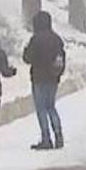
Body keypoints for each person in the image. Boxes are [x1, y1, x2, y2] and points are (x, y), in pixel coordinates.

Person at [23, 10, 66, 150]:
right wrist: (58, 73)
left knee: (41, 109)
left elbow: (27, 58)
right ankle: (59, 136)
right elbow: (61, 58)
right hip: (53, 78)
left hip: (38, 78)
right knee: (51, 106)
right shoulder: (56, 39)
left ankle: (46, 139)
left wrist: (26, 51)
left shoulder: (36, 39)